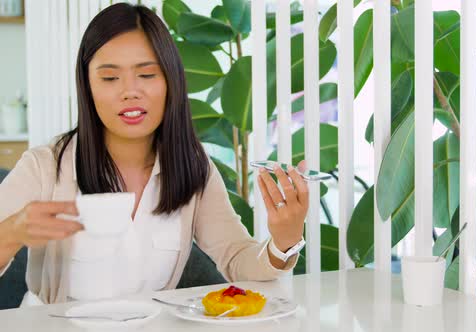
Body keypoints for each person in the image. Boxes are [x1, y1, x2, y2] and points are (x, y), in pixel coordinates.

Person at [0, 3, 308, 305]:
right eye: (110, 78)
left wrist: (284, 240)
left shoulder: (193, 167)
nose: (130, 91)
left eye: (147, 75)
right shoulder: (45, 166)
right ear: (88, 85)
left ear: (171, 80)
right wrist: (12, 231)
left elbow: (238, 260)